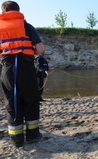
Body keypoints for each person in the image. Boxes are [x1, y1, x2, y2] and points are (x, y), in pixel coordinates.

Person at [0, 1, 44, 148]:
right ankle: (32, 136)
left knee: (11, 103)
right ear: (18, 11)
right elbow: (40, 49)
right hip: (26, 68)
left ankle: (16, 140)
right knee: (31, 101)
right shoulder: (27, 26)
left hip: (7, 69)